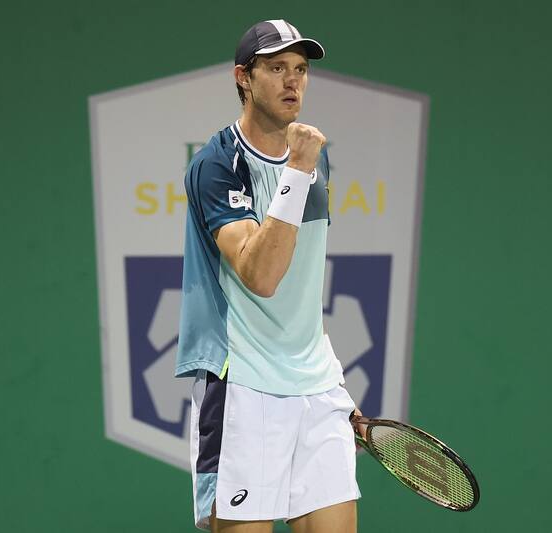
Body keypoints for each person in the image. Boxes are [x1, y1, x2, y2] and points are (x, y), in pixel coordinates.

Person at [175, 19, 364, 533]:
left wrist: (328, 382)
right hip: (243, 388)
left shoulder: (315, 159)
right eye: (276, 68)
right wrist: (296, 171)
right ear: (243, 77)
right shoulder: (216, 165)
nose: (292, 82)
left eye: (300, 70)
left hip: (315, 387)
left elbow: (300, 290)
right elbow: (261, 275)